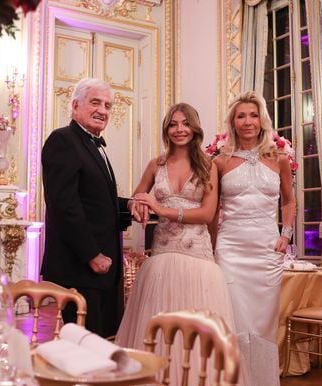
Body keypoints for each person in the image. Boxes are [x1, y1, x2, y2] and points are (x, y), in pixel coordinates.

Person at [115, 103, 242, 385]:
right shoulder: (155, 165)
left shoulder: (208, 166)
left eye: (185, 123)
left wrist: (163, 210)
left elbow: (208, 214)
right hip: (160, 259)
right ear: (166, 129)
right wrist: (139, 206)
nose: (179, 129)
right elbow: (138, 198)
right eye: (173, 124)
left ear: (195, 128)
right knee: (155, 333)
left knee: (197, 338)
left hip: (198, 261)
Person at [40, 78, 136, 338]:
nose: (102, 110)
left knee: (100, 345)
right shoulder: (63, 140)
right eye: (95, 102)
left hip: (102, 271)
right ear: (75, 106)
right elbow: (65, 206)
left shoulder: (93, 145)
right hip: (80, 269)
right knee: (81, 351)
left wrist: (131, 204)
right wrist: (92, 254)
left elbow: (97, 202)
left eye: (107, 105)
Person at [212, 90, 296, 385]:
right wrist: (210, 248)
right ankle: (234, 379)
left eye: (253, 115)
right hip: (230, 248)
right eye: (241, 116)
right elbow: (212, 210)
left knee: (263, 323)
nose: (248, 121)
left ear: (262, 120)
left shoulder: (280, 159)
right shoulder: (220, 161)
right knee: (233, 318)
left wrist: (285, 235)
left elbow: (288, 201)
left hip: (266, 248)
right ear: (233, 123)